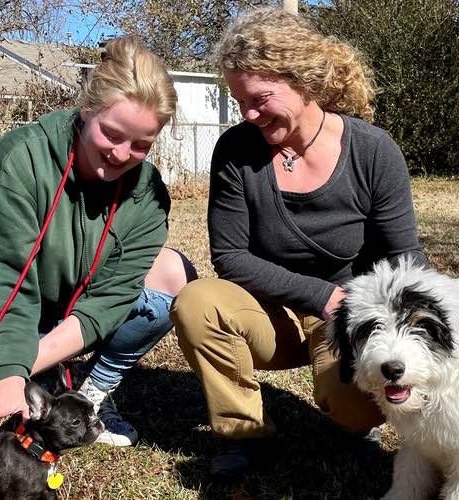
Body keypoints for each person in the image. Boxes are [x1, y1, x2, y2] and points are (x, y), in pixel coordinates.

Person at [0, 36, 196, 447]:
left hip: (63, 307)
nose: (122, 154)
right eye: (112, 134)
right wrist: (11, 372)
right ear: (87, 109)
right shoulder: (20, 158)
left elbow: (109, 301)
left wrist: (24, 363)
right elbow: (10, 284)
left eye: (141, 145)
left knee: (175, 273)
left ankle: (86, 393)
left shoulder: (148, 194)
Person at [169, 8, 427, 480]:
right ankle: (243, 434)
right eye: (239, 100)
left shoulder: (373, 151)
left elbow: (405, 258)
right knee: (197, 302)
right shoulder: (236, 151)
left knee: (355, 412)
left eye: (260, 98)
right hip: (273, 310)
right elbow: (230, 257)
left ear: (303, 79)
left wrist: (409, 323)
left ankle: (353, 415)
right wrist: (323, 297)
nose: (248, 113)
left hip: (352, 314)